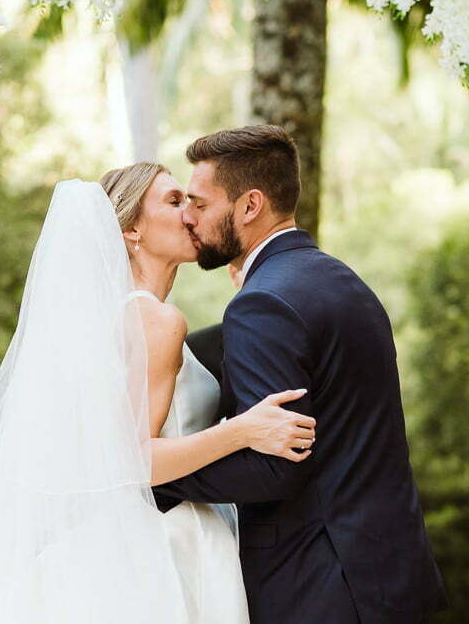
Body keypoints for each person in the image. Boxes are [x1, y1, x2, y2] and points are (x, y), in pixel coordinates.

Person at [0, 164, 316, 622]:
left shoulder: (109, 325)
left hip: (121, 540)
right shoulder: (157, 321)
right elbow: (134, 460)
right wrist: (244, 431)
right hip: (167, 541)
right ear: (130, 232)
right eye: (173, 201)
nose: (190, 213)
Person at [153, 125, 448, 624]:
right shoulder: (341, 279)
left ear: (250, 206)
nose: (190, 218)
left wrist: (160, 479)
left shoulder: (263, 302)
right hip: (389, 574)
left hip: (320, 584)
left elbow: (277, 465)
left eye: (201, 205)